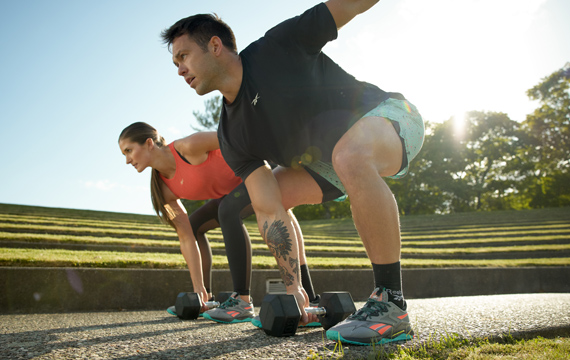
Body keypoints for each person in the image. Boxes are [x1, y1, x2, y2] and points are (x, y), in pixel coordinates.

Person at [161, 0, 425, 345]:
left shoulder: (277, 46)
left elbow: (350, 6)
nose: (179, 69)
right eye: (175, 62)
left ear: (214, 46)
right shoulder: (230, 135)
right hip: (329, 163)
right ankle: (309, 297)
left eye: (183, 56)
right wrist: (293, 288)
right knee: (271, 195)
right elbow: (270, 209)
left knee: (348, 155)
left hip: (388, 117)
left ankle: (392, 302)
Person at [118, 122, 322, 324]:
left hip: (259, 173)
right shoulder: (164, 191)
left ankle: (244, 302)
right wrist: (197, 288)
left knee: (228, 210)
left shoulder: (188, 147)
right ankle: (205, 297)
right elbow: (186, 237)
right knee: (196, 224)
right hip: (232, 194)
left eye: (129, 150)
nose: (127, 160)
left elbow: (238, 138)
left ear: (148, 143)